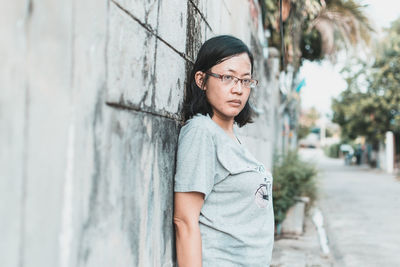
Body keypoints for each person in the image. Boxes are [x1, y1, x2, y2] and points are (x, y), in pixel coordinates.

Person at [173, 35, 274, 267]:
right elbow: (184, 221)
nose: (238, 89)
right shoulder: (201, 132)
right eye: (227, 77)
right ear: (202, 80)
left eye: (245, 81)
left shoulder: (231, 137)